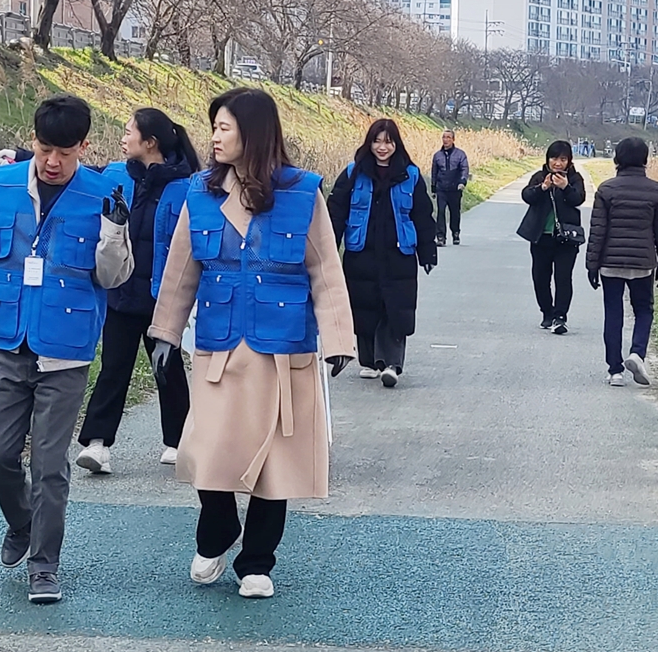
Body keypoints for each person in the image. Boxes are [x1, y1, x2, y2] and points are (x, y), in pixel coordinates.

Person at [147, 87, 355, 599]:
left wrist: (338, 338)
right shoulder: (200, 193)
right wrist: (165, 333)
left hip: (284, 350)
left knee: (275, 461)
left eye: (224, 128)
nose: (214, 137)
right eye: (214, 127)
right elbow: (180, 271)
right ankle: (217, 529)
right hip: (219, 346)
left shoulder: (302, 193)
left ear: (253, 133)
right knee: (207, 448)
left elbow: (325, 270)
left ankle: (258, 561)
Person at [0, 94, 134, 604]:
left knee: (50, 465)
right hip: (7, 342)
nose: (53, 162)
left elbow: (113, 277)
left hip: (66, 350)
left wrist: (114, 232)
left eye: (65, 153)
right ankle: (22, 522)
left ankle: (44, 566)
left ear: (83, 147)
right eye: (45, 149)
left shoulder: (105, 194)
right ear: (33, 140)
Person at [69, 108, 203, 475]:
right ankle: (97, 444)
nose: (123, 137)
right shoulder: (115, 176)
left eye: (129, 132)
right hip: (120, 294)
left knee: (167, 369)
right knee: (113, 367)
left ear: (150, 142)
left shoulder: (188, 188)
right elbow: (76, 174)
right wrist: (19, 157)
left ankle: (179, 441)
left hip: (165, 300)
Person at [326, 119, 437, 388]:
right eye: (377, 141)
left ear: (396, 144)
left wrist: (427, 252)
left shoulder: (410, 175)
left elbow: (422, 215)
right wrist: (328, 249)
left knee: (395, 307)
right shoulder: (354, 172)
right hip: (361, 252)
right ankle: (369, 361)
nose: (382, 147)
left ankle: (391, 364)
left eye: (388, 141)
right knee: (365, 305)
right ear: (369, 143)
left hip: (398, 253)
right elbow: (335, 212)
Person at [585, 137, 658, 388]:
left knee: (614, 313)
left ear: (617, 159)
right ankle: (637, 353)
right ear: (645, 160)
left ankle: (615, 371)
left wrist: (592, 264)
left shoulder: (606, 189)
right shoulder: (656, 190)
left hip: (610, 262)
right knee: (643, 310)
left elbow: (598, 231)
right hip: (642, 263)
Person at [517, 140, 586, 335]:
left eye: (563, 159)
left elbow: (578, 199)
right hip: (541, 237)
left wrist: (566, 187)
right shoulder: (540, 176)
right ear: (548, 159)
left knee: (563, 278)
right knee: (540, 278)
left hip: (566, 239)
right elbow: (527, 196)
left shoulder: (575, 178)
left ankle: (560, 316)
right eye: (554, 158)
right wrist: (543, 187)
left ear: (569, 161)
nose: (558, 163)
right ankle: (547, 312)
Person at [430, 129, 470, 246]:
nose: (446, 140)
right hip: (441, 188)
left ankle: (455, 232)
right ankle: (441, 237)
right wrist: (433, 188)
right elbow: (434, 172)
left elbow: (464, 169)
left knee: (455, 212)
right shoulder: (437, 155)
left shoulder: (460, 154)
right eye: (444, 137)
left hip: (455, 188)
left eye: (448, 137)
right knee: (441, 212)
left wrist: (462, 182)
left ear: (453, 139)